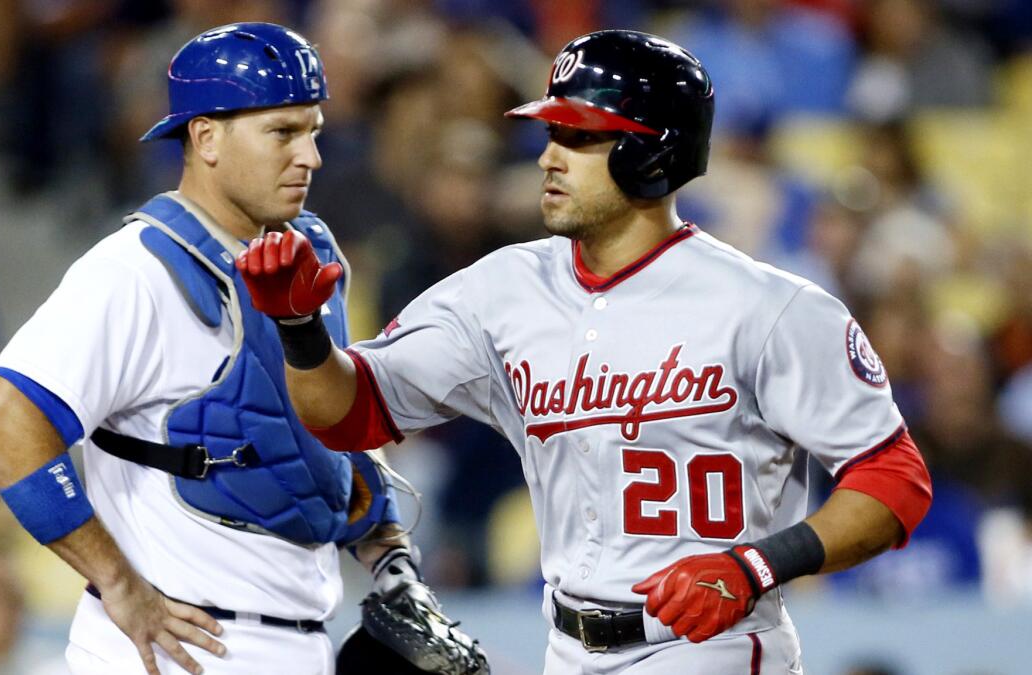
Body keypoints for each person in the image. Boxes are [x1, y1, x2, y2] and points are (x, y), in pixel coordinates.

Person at [236, 30, 934, 673]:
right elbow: (350, 414)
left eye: (578, 137)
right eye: (551, 133)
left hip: (711, 649)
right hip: (566, 648)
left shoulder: (768, 308)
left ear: (652, 150)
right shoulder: (500, 291)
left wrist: (756, 565)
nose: (548, 156)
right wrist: (301, 329)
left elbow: (895, 480)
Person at [0, 23, 450, 675]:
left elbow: (314, 437)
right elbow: (1, 422)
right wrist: (118, 583)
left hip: (299, 641)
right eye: (282, 132)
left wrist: (390, 562)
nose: (310, 156)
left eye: (314, 131)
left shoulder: (312, 253)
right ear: (206, 136)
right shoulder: (135, 270)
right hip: (173, 650)